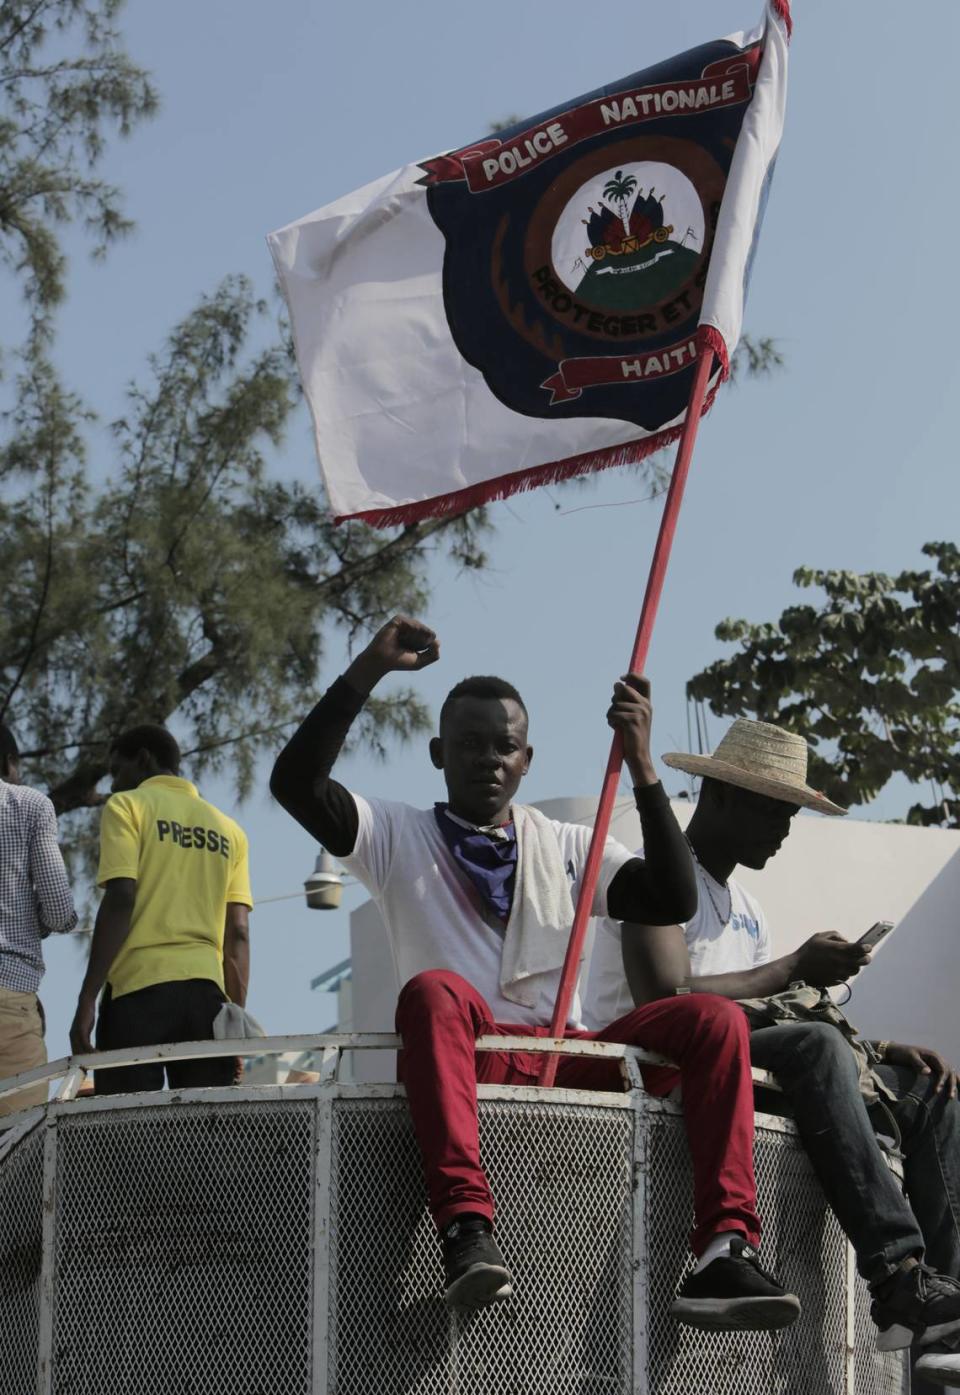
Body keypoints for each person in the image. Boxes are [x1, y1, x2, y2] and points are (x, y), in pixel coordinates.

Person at [270, 615, 801, 1330]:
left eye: (504, 747)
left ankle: (720, 1248)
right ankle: (464, 1227)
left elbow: (673, 896)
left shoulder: (571, 845)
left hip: (569, 1056)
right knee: (431, 992)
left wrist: (643, 762)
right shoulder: (396, 834)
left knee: (713, 1019)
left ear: (527, 761)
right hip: (468, 1056)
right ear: (437, 753)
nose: (487, 759)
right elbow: (295, 783)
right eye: (467, 744)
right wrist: (368, 668)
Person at [585, 716, 960, 1388]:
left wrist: (872, 1051)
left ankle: (940, 1323)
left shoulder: (748, 907)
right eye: (771, 812)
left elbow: (767, 1014)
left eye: (789, 816)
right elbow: (665, 995)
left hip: (739, 1075)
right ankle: (898, 1273)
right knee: (816, 1046)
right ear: (720, 795)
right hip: (662, 1072)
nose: (783, 832)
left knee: (926, 1087)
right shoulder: (657, 878)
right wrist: (793, 966)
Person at [69, 724, 254, 1095]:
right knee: (205, 1136)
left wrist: (87, 997)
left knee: (130, 1140)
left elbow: (121, 897)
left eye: (118, 771)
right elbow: (238, 932)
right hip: (206, 1000)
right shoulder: (229, 830)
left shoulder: (128, 806)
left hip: (137, 997)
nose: (114, 785)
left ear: (143, 758)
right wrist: (233, 1019)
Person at [0, 723, 77, 1117]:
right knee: (18, 1147)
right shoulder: (30, 805)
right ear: (11, 761)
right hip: (10, 1002)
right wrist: (38, 920)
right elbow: (60, 911)